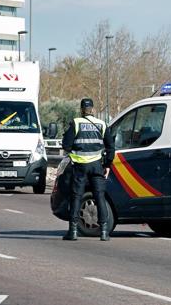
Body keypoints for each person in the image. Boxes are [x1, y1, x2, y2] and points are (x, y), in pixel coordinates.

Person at [61, 98, 115, 241]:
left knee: (76, 197)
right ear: (93, 109)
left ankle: (73, 232)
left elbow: (65, 145)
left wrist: (73, 153)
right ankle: (104, 232)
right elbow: (111, 147)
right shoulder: (102, 124)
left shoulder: (76, 123)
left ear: (81, 109)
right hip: (97, 166)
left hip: (79, 167)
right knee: (100, 197)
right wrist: (108, 165)